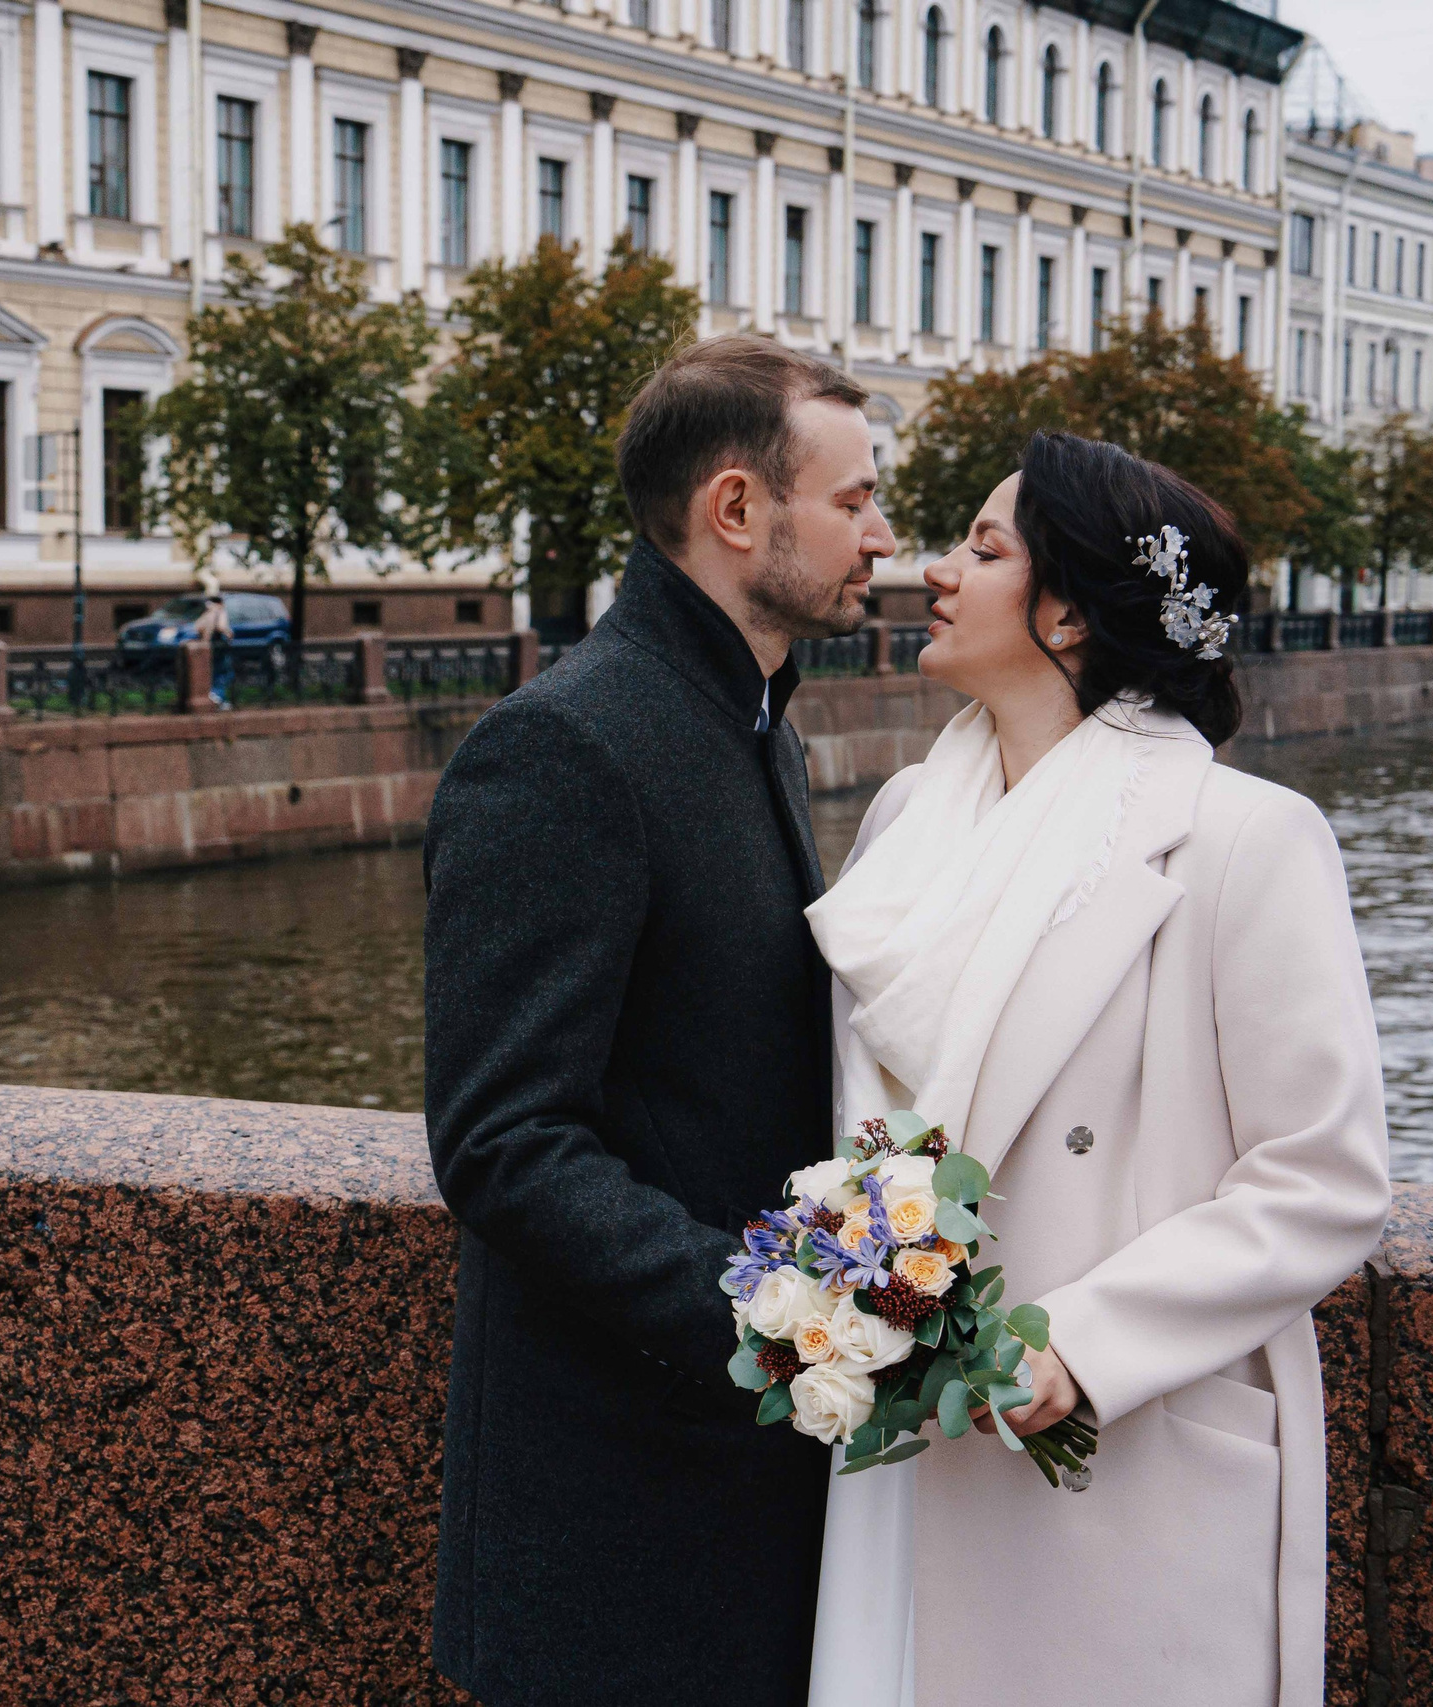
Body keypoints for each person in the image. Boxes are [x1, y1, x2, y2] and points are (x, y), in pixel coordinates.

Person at [804, 432, 1392, 1706]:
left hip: (1110, 1448)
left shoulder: (1245, 840)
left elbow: (1322, 1177)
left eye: (984, 548)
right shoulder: (912, 812)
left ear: (1067, 613)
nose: (932, 571)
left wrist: (1077, 1347)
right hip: (900, 1450)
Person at [422, 335, 896, 1707]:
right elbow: (505, 1141)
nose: (885, 535)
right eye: (855, 499)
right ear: (738, 509)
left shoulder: (754, 720)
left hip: (729, 1489)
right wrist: (778, 1316)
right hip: (615, 1530)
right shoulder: (565, 745)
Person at [194, 584, 235, 707]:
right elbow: (221, 626)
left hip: (208, 647)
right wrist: (229, 633)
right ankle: (218, 697)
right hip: (219, 646)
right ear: (221, 603)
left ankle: (213, 695)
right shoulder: (220, 611)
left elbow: (198, 627)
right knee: (224, 673)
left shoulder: (207, 613)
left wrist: (205, 639)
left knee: (211, 672)